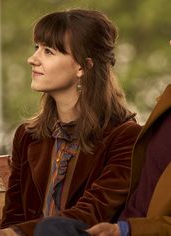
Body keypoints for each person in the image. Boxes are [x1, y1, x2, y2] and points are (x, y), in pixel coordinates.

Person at [0, 9, 141, 236]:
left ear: (83, 66)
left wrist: (8, 235)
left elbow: (91, 215)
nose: (32, 59)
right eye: (36, 48)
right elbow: (14, 217)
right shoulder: (28, 135)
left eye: (48, 51)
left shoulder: (126, 137)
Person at [34, 83, 171, 236]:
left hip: (129, 230)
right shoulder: (166, 105)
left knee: (50, 229)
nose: (32, 60)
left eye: (50, 56)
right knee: (52, 227)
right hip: (119, 225)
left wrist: (125, 230)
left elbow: (96, 209)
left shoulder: (123, 134)